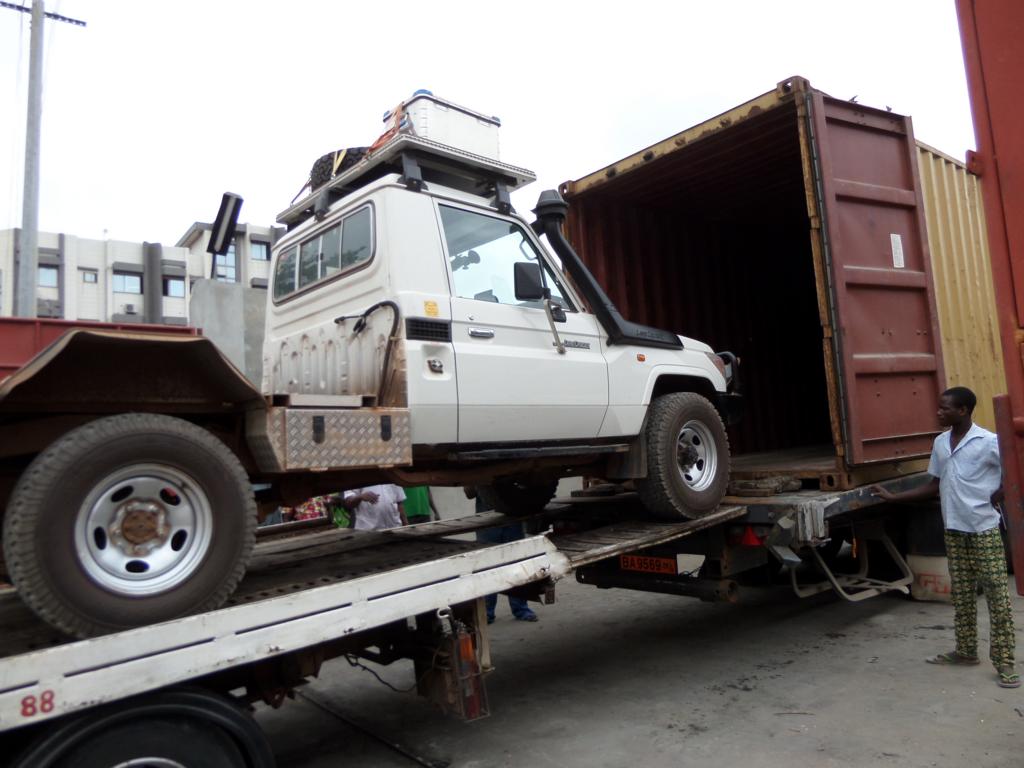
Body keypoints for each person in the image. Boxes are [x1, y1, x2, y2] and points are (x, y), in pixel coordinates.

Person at [872, 386, 1018, 688]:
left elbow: (1016, 471)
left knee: (997, 598)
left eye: (944, 408)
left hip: (984, 530)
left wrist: (999, 494)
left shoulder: (988, 442)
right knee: (962, 595)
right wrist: (894, 498)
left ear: (962, 410)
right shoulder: (940, 443)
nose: (938, 412)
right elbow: (933, 485)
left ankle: (1005, 662)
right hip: (954, 530)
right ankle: (965, 652)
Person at [467, 486, 539, 623]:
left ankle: (521, 609)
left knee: (516, 566)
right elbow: (468, 493)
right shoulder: (477, 474)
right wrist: (479, 482)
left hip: (512, 520)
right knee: (488, 570)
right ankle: (487, 613)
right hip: (487, 523)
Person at [343, 485, 408, 530]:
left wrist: (406, 526)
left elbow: (399, 503)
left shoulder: (392, 475)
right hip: (368, 532)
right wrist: (360, 497)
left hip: (395, 529)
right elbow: (348, 503)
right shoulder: (356, 476)